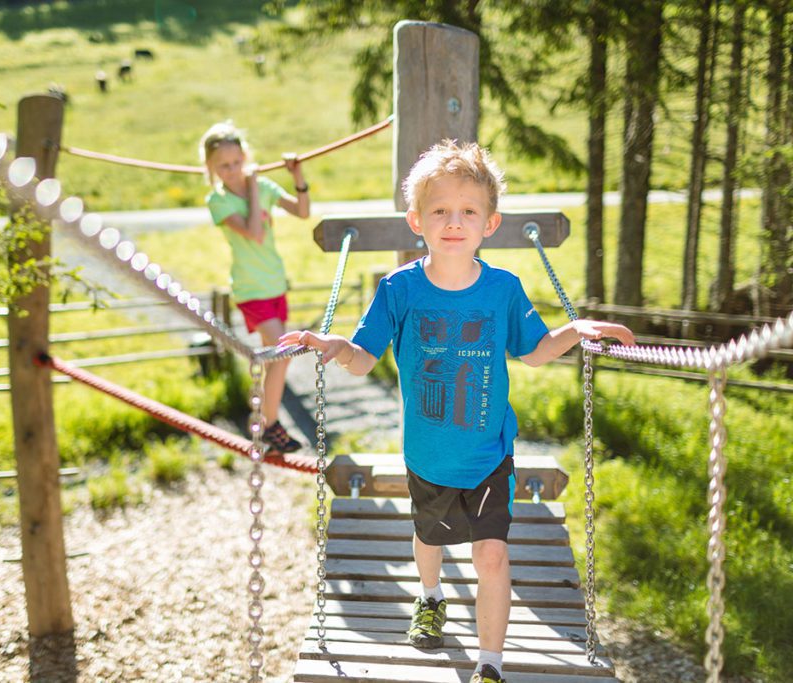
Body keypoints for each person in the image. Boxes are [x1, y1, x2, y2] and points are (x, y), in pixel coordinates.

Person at [278, 139, 635, 683]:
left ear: (490, 223)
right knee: (431, 538)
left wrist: (574, 332)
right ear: (416, 219)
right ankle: (430, 596)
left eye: (469, 210)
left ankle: (488, 665)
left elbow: (534, 352)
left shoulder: (503, 289)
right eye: (440, 210)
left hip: (490, 454)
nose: (454, 221)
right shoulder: (398, 289)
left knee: (491, 556)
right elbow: (361, 358)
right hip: (428, 455)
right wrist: (332, 345)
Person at [200, 120, 312, 455]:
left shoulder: (262, 186)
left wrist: (297, 175)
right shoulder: (218, 201)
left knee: (275, 358)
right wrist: (251, 185)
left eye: (237, 162)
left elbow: (303, 212)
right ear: (211, 167)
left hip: (275, 283)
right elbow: (255, 232)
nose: (232, 170)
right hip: (251, 290)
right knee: (282, 355)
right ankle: (269, 424)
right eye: (224, 166)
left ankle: (267, 427)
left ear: (245, 157)